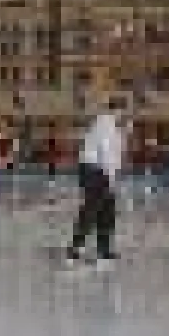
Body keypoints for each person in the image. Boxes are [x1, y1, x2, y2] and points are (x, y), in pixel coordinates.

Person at [65, 101, 128, 269]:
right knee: (91, 210)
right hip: (94, 171)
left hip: (100, 171)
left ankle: (104, 250)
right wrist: (111, 178)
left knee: (107, 211)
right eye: (122, 110)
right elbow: (107, 152)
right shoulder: (105, 124)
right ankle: (74, 250)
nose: (123, 115)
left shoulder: (112, 126)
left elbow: (117, 153)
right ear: (117, 109)